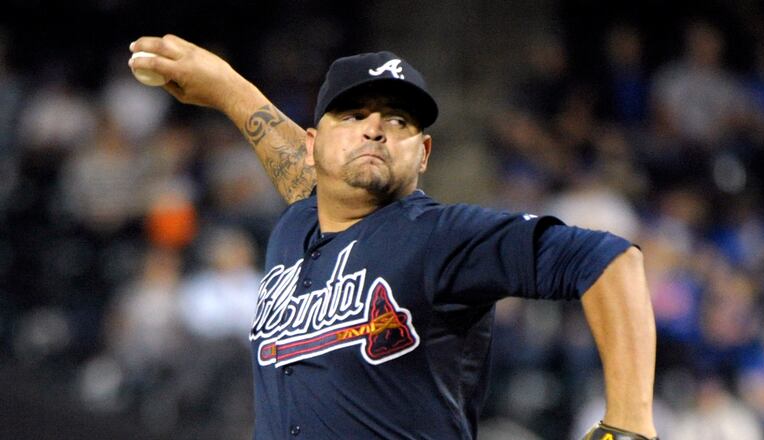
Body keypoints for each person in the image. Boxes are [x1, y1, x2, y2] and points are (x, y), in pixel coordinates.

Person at [128, 34, 659, 440]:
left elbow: (608, 260)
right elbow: (298, 167)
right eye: (355, 115)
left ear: (423, 154)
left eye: (398, 120)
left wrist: (629, 427)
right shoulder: (298, 224)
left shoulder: (441, 237)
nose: (375, 128)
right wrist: (228, 90)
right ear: (314, 144)